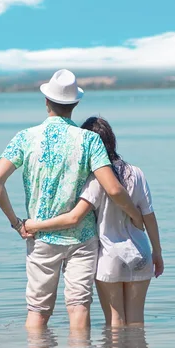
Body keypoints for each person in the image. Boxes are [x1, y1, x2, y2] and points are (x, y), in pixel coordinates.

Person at [0, 69, 144, 331]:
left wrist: (17, 223)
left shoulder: (25, 137)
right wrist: (135, 216)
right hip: (81, 239)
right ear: (75, 104)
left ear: (47, 102)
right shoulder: (89, 140)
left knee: (37, 312)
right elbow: (114, 190)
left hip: (40, 236)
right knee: (79, 307)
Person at [24, 117, 164, 327]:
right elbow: (150, 217)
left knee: (115, 323)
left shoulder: (95, 179)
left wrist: (33, 225)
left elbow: (74, 217)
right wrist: (157, 252)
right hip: (141, 252)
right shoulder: (137, 173)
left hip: (110, 255)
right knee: (136, 323)